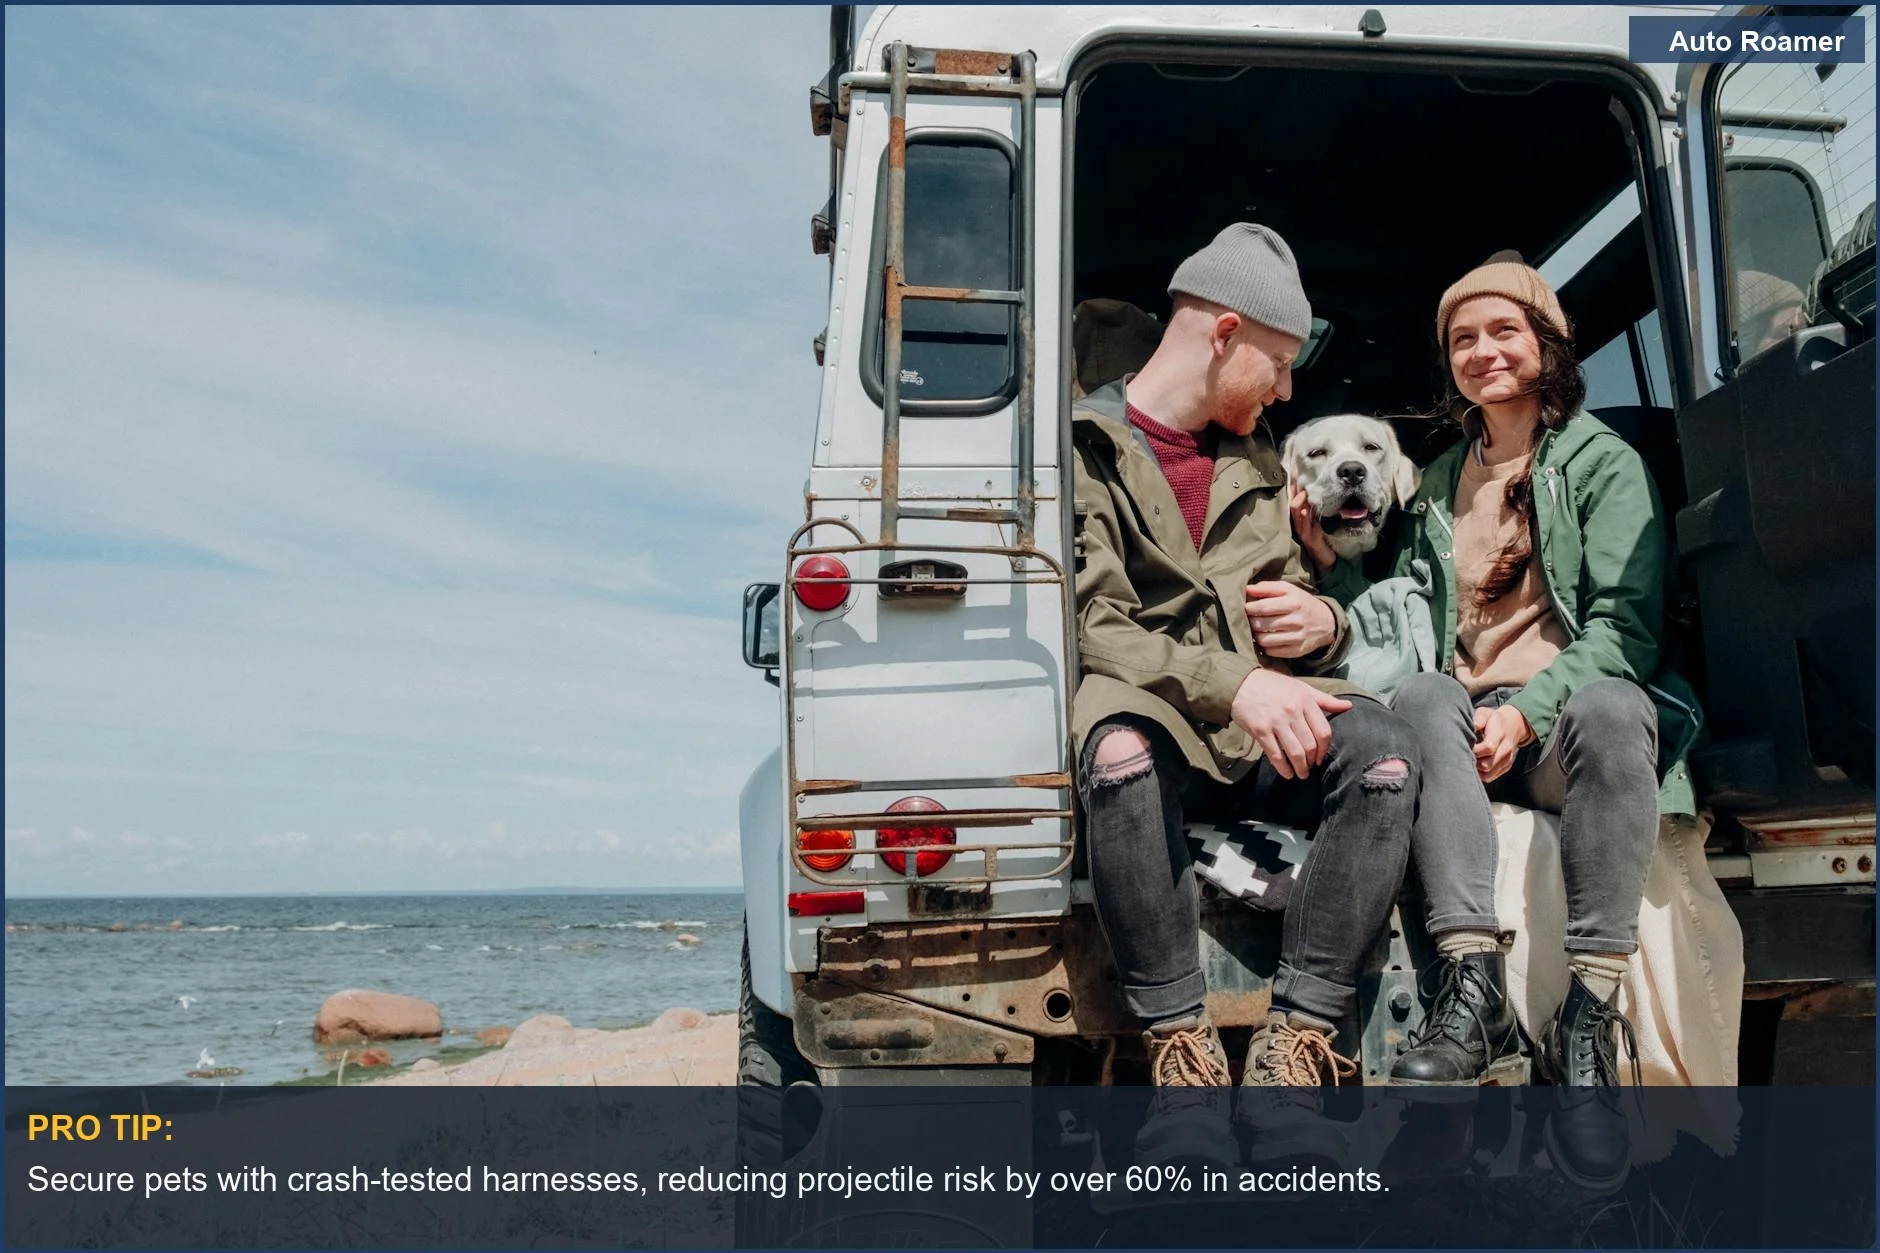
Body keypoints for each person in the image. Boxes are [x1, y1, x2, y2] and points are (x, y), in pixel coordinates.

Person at [1299, 252, 1704, 1192]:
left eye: (1504, 331)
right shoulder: (1434, 478)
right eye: (1463, 339)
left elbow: (1627, 629)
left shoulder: (1605, 461)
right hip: (1460, 728)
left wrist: (1525, 716)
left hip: (1554, 728)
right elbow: (1398, 616)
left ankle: (1588, 1021)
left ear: (1547, 345)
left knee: (1614, 707)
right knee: (1424, 693)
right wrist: (1327, 567)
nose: (1483, 352)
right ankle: (1470, 990)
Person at [1072, 223, 1421, 1165]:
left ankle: (1294, 1041)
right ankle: (1181, 1057)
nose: (1288, 389)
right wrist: (1242, 684)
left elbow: (1288, 591)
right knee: (1116, 747)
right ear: (1223, 332)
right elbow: (1094, 623)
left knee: (1386, 751)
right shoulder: (1081, 446)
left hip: (1263, 726)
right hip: (1162, 722)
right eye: (1277, 362)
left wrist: (1323, 621)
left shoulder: (1262, 457)